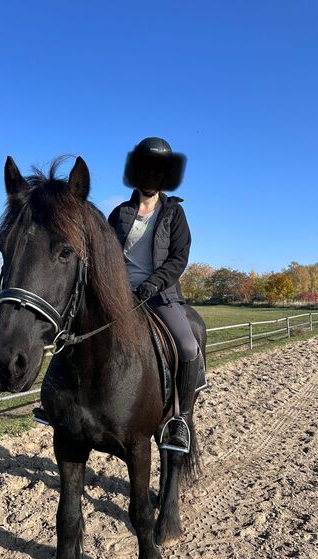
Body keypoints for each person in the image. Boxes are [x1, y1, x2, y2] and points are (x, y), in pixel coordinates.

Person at [108, 136, 205, 453]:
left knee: (189, 346)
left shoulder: (175, 215)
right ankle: (58, 402)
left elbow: (179, 259)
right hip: (119, 295)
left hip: (160, 295)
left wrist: (152, 283)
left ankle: (180, 419)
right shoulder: (119, 214)